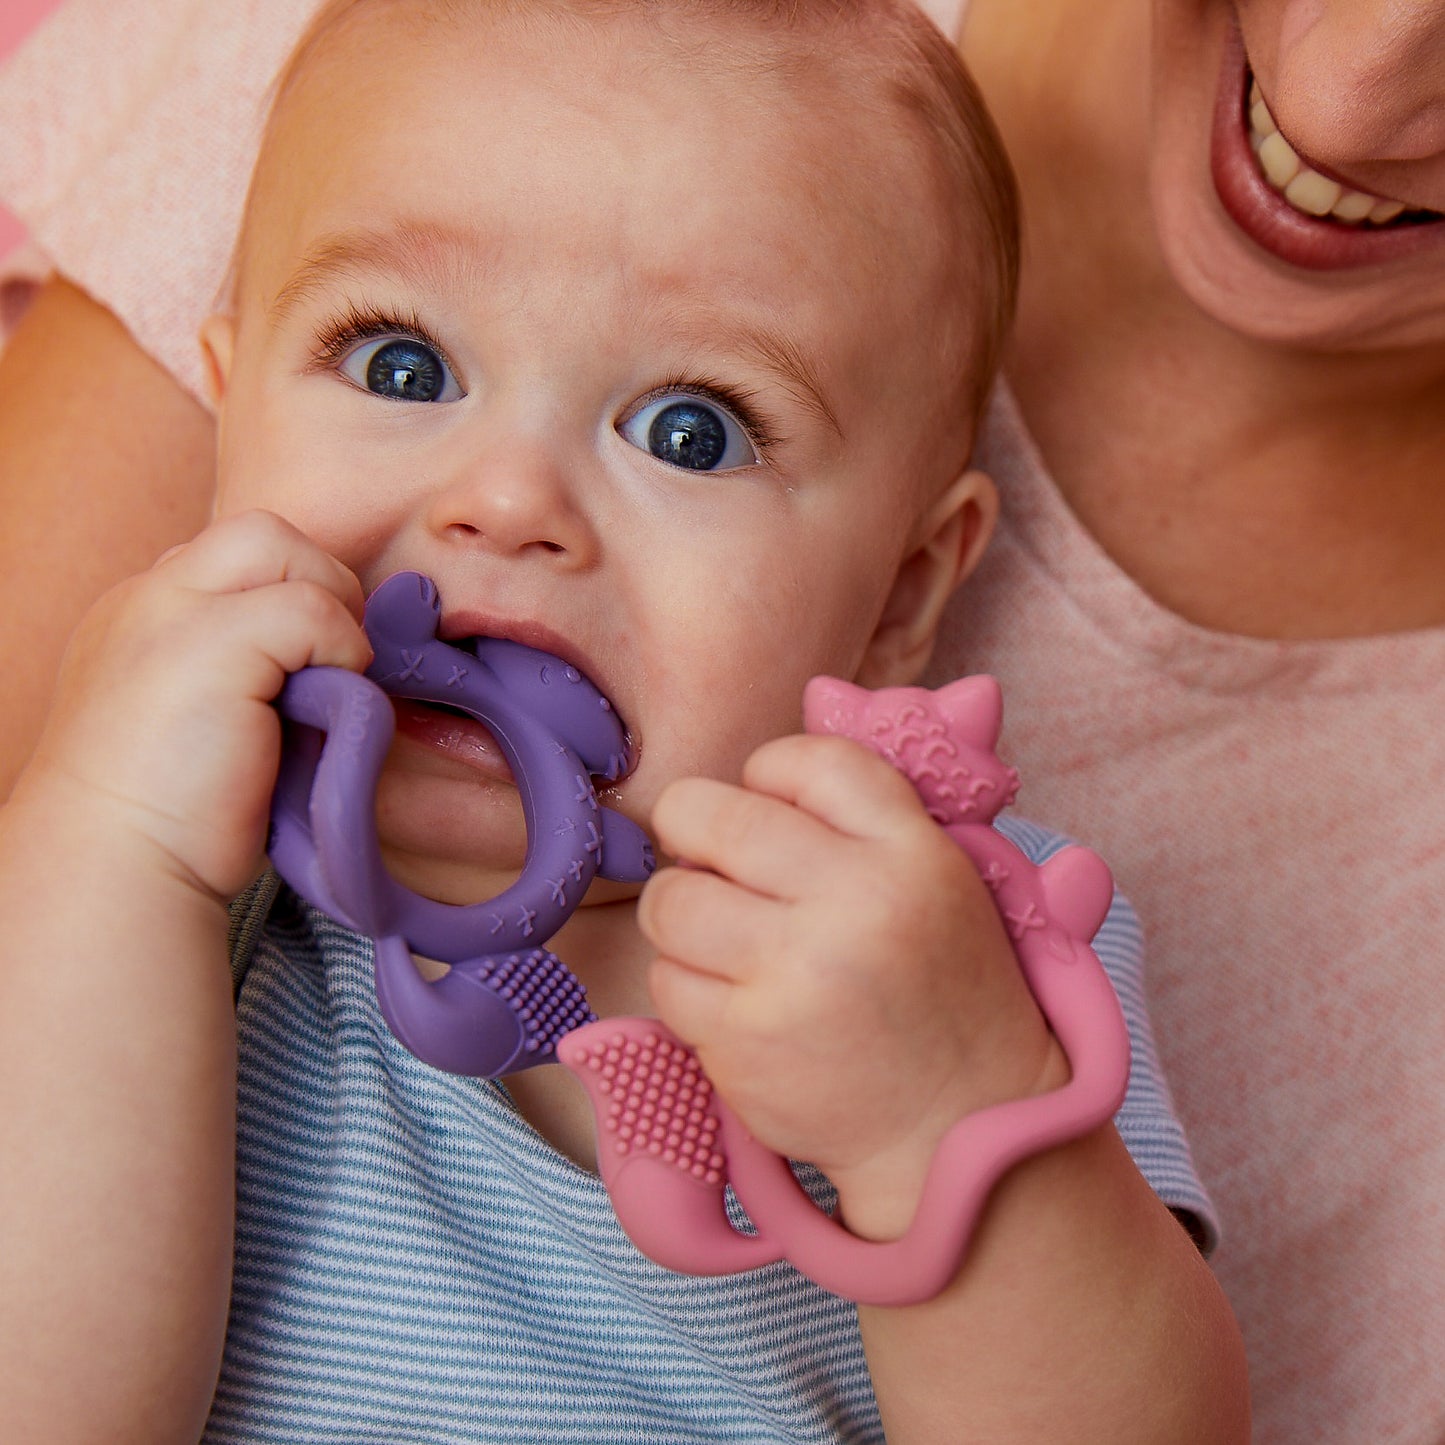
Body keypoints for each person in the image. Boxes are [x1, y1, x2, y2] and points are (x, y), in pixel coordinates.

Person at [0, 0, 1438, 1440]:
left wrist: (946, 1114)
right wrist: (106, 847)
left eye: (691, 429)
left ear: (900, 592)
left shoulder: (953, 946)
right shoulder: (177, 869)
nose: (503, 500)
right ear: (228, 401)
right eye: (399, 365)